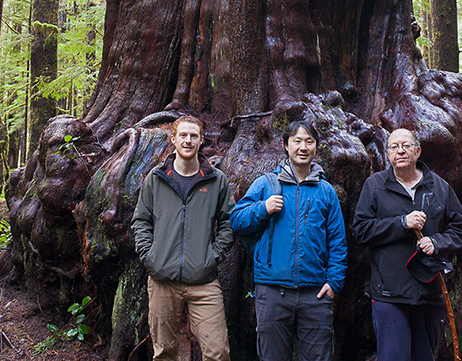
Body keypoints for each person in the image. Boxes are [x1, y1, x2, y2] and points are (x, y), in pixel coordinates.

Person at [230, 120, 347, 361]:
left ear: (315, 147)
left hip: (315, 294)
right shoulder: (267, 184)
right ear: (286, 145)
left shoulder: (326, 191)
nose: (303, 147)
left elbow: (337, 240)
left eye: (309, 141)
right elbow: (237, 220)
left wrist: (334, 283)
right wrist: (263, 208)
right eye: (297, 141)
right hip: (272, 291)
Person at [352, 128, 462, 361]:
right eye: (394, 147)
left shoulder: (439, 187)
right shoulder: (375, 186)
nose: (400, 151)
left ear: (418, 151)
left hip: (429, 293)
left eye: (406, 145)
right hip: (389, 293)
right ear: (387, 154)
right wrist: (402, 223)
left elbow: (459, 231)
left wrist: (437, 242)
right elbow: (360, 230)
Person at [132, 115, 234, 361]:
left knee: (218, 352)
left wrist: (212, 257)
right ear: (173, 139)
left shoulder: (216, 180)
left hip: (203, 281)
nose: (188, 141)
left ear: (201, 141)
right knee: (164, 353)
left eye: (194, 136)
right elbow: (141, 221)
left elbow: (229, 223)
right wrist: (150, 257)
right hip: (162, 281)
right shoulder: (156, 178)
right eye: (184, 136)